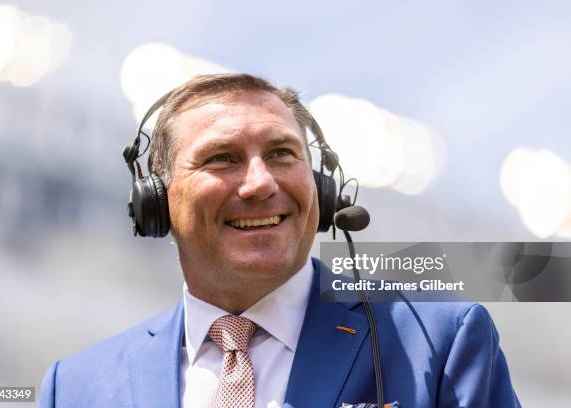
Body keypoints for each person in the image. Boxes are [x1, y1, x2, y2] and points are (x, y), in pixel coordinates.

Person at [39, 73, 521, 407]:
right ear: (157, 201)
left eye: (282, 153)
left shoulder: (440, 342)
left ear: (322, 188)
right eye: (222, 158)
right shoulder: (75, 388)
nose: (261, 183)